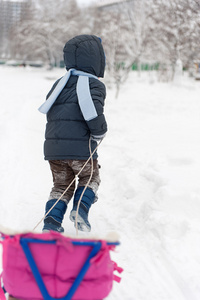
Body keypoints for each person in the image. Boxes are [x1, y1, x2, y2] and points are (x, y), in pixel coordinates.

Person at [41, 35, 107, 233]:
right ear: (96, 59)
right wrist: (100, 132)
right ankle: (80, 209)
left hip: (54, 149)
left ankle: (51, 223)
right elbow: (93, 113)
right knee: (90, 178)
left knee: (61, 186)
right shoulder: (93, 84)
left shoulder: (59, 84)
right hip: (81, 150)